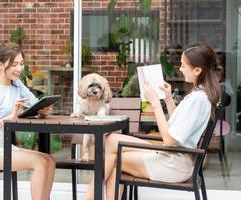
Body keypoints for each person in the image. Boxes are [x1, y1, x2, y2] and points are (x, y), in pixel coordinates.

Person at [84, 43, 221, 200]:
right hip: (173, 155)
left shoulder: (198, 99)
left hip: (173, 163)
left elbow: (169, 140)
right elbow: (179, 125)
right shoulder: (199, 96)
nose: (180, 69)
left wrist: (156, 104)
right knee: (111, 140)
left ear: (197, 70)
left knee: (114, 160)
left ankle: (89, 198)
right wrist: (168, 98)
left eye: (183, 66)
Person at [0, 43, 55, 200]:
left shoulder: (17, 85)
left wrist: (42, 109)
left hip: (4, 146)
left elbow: (33, 102)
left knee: (50, 160)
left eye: (21, 64)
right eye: (14, 64)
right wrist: (8, 119)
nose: (19, 69)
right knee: (39, 163)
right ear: (0, 64)